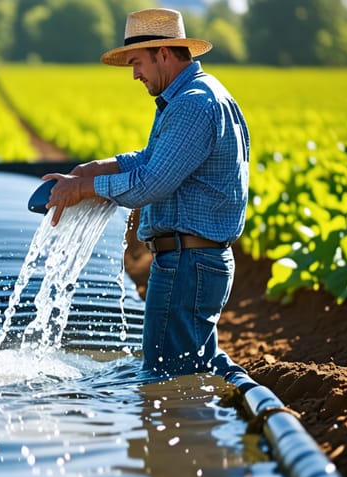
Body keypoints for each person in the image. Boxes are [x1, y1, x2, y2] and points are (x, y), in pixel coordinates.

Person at [42, 8, 250, 378]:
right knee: (191, 370)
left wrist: (84, 189)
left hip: (187, 264)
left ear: (164, 54)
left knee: (168, 377)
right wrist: (94, 169)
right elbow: (152, 158)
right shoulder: (194, 96)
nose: (135, 74)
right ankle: (209, 426)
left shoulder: (192, 105)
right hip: (193, 261)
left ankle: (189, 434)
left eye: (137, 62)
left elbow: (151, 183)